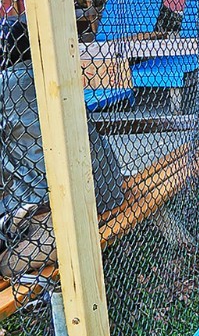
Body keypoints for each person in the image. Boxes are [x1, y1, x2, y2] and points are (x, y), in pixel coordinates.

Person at [0, 17, 123, 279]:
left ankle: (12, 237)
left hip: (50, 202)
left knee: (10, 260)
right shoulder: (54, 72)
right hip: (107, 188)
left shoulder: (6, 85)